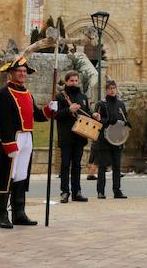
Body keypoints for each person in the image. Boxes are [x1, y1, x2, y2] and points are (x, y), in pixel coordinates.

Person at [0, 56, 56, 227]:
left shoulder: (27, 93)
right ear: (11, 73)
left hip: (27, 137)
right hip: (12, 139)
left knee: (21, 175)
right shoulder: (3, 94)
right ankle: (1, 214)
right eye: (19, 71)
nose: (22, 74)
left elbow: (36, 115)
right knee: (7, 177)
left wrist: (49, 109)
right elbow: (3, 122)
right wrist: (8, 143)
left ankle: (19, 212)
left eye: (24, 72)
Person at [55, 71, 94, 203]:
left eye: (76, 80)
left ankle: (77, 192)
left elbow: (86, 113)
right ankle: (65, 192)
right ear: (66, 82)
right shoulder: (60, 97)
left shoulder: (83, 97)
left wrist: (94, 116)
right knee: (65, 165)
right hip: (66, 136)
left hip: (80, 137)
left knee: (77, 165)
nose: (74, 83)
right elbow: (56, 115)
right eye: (71, 80)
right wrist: (68, 110)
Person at [94, 79, 129, 199]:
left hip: (117, 139)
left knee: (117, 166)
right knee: (103, 166)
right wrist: (108, 121)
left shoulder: (121, 104)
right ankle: (100, 191)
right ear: (106, 90)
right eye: (110, 88)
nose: (112, 90)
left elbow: (124, 118)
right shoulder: (101, 104)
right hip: (104, 139)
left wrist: (127, 124)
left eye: (114, 88)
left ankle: (117, 190)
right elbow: (96, 121)